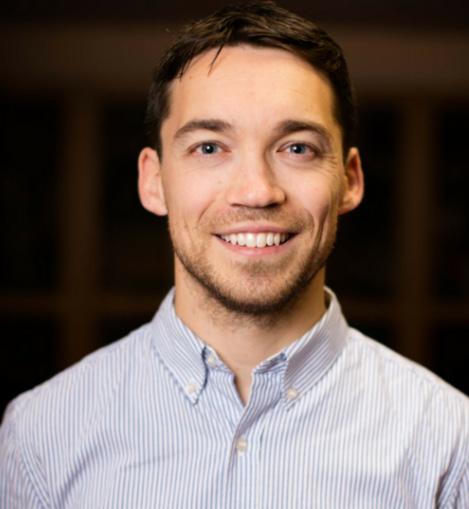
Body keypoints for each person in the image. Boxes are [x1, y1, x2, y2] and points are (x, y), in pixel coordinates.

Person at [1, 1, 468, 507]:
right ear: (153, 181)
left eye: (297, 148)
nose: (256, 191)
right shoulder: (41, 433)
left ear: (350, 180)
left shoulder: (449, 440)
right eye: (209, 147)